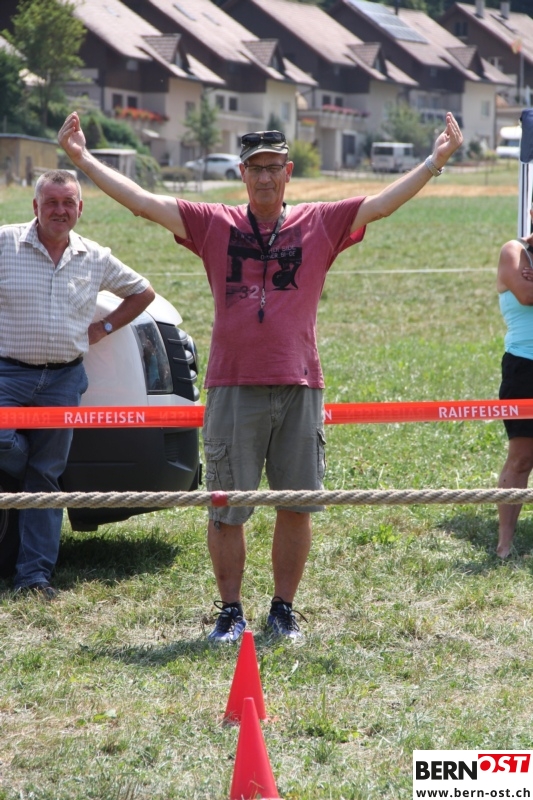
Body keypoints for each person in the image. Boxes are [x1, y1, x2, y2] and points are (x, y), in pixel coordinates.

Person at [58, 111, 463, 639]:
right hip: (233, 384)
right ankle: (230, 612)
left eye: (274, 167)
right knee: (227, 507)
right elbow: (143, 202)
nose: (265, 177)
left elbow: (382, 204)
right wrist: (83, 159)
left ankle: (283, 611)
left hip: (299, 383)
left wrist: (434, 161)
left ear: (288, 172)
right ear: (243, 174)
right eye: (256, 168)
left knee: (296, 505)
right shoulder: (214, 223)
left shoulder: (319, 222)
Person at [0, 169, 155, 598]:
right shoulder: (5, 243)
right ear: (35, 206)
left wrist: (105, 327)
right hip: (7, 374)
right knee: (19, 453)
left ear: (80, 208)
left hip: (64, 379)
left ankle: (34, 578)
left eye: (67, 202)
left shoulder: (95, 256)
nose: (59, 210)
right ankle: (31, 462)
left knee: (46, 479)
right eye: (51, 202)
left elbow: (143, 293)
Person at [496, 207, 533, 558]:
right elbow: (526, 295)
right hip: (524, 368)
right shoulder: (514, 251)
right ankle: (504, 543)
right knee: (521, 459)